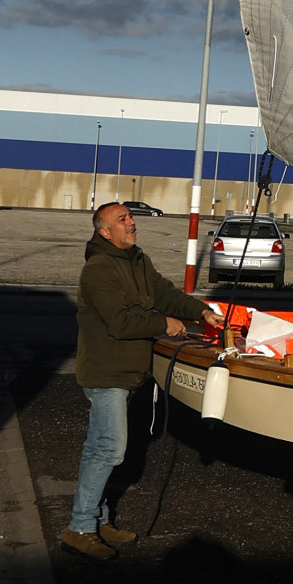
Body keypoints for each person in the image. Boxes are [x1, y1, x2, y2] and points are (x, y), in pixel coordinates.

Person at [63, 200, 214, 561]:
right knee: (110, 448)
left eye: (130, 217)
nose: (131, 223)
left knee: (99, 445)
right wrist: (165, 325)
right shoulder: (99, 269)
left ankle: (97, 518)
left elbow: (163, 294)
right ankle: (80, 528)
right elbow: (121, 321)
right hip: (105, 373)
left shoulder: (137, 260)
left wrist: (202, 312)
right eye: (122, 219)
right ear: (104, 231)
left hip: (127, 373)